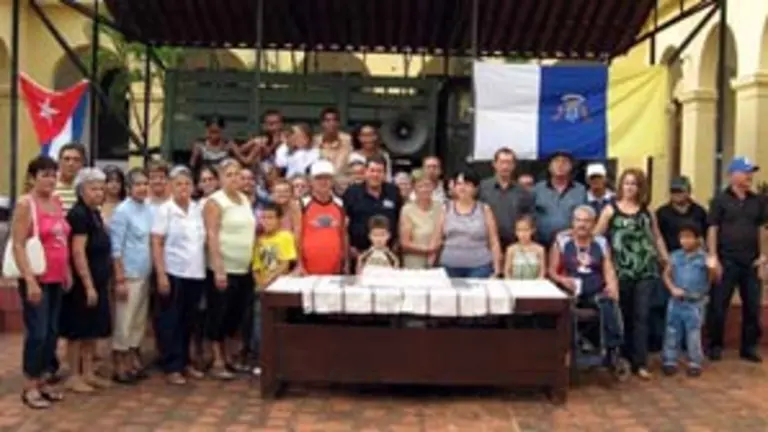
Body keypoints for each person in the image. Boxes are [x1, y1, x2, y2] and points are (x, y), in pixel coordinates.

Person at [595, 168, 669, 379]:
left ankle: (640, 362)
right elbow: (597, 237)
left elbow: (657, 237)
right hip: (620, 270)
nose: (629, 187)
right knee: (623, 315)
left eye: (634, 184)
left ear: (640, 188)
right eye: (626, 183)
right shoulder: (610, 210)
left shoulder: (647, 211)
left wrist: (665, 258)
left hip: (645, 269)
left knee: (642, 316)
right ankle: (622, 358)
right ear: (620, 186)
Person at [11, 156, 71, 409]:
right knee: (37, 332)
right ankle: (30, 385)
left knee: (52, 332)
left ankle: (45, 380)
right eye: (44, 174)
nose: (49, 179)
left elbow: (61, 239)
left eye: (52, 174)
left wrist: (67, 270)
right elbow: (18, 244)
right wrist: (30, 280)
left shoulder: (56, 202)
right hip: (37, 279)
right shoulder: (26, 204)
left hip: (57, 277)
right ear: (33, 177)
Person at [706, 157, 767, 363]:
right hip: (727, 259)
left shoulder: (758, 201)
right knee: (718, 304)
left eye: (751, 173)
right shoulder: (720, 200)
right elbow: (712, 228)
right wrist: (713, 256)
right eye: (746, 172)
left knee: (752, 305)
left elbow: (761, 228)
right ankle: (715, 345)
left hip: (750, 261)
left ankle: (748, 347)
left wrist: (762, 256)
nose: (749, 176)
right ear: (733, 174)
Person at [151, 166, 207, 385]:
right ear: (171, 187)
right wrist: (161, 274)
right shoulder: (165, 210)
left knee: (189, 320)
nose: (183, 188)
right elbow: (156, 242)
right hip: (173, 272)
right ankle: (171, 365)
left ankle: (185, 362)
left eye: (187, 184)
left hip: (195, 272)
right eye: (178, 184)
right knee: (170, 320)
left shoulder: (197, 209)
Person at [549, 205, 623, 367]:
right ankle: (573, 351)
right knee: (567, 309)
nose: (582, 224)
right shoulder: (562, 241)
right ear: (573, 222)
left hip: (595, 290)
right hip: (571, 291)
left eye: (586, 221)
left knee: (608, 303)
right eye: (578, 220)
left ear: (594, 223)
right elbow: (552, 271)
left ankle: (611, 351)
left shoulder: (601, 242)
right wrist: (562, 279)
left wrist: (612, 287)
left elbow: (608, 268)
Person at [203, 158, 256, 379]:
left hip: (244, 268)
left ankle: (229, 356)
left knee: (236, 314)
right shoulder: (215, 202)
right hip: (224, 267)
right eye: (229, 174)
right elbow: (212, 234)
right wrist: (219, 268)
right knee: (219, 312)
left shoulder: (244, 199)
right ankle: (216, 359)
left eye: (237, 174)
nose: (235, 178)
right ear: (221, 178)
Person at [60, 168, 113, 393]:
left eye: (101, 188)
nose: (99, 193)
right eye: (93, 188)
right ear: (81, 191)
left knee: (92, 329)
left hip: (99, 280)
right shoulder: (79, 215)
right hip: (83, 283)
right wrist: (89, 284)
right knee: (78, 330)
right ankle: (73, 375)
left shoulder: (95, 213)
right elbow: (78, 252)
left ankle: (88, 372)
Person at [110, 168, 153, 384]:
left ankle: (132, 361)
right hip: (128, 274)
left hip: (145, 273)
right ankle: (119, 365)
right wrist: (119, 278)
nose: (142, 188)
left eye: (145, 184)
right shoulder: (122, 211)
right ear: (129, 188)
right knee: (123, 321)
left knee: (138, 321)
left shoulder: (148, 209)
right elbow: (116, 248)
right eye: (138, 184)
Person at [661, 223, 715, 377]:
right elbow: (666, 274)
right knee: (672, 330)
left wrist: (712, 268)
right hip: (676, 300)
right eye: (682, 237)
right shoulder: (675, 256)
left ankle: (695, 361)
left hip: (695, 302)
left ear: (698, 239)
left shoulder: (704, 258)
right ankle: (670, 360)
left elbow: (714, 279)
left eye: (689, 237)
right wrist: (672, 288)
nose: (685, 241)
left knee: (693, 332)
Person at [250, 203, 297, 375]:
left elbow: (285, 264)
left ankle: (282, 361)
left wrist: (270, 280)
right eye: (264, 218)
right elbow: (255, 265)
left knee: (280, 324)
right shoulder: (259, 240)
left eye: (271, 217)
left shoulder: (285, 236)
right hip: (261, 289)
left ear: (279, 220)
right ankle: (260, 360)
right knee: (259, 325)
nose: (267, 221)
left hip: (278, 287)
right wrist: (260, 283)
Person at [436, 170, 503, 278]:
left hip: (480, 266)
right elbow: (437, 238)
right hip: (449, 266)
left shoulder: (484, 209)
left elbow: (494, 241)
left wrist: (497, 269)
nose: (462, 188)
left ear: (475, 188)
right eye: (459, 184)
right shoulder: (445, 208)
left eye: (467, 184)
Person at [343, 156, 402, 272]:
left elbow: (399, 219)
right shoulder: (352, 192)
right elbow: (344, 224)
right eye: (372, 170)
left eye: (379, 171)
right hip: (358, 254)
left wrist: (396, 244)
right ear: (365, 172)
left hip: (386, 256)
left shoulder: (393, 192)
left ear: (385, 174)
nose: (375, 175)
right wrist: (349, 248)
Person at [298, 160, 347, 276]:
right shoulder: (301, 205)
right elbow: (296, 236)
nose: (323, 182)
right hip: (307, 269)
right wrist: (299, 264)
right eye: (319, 178)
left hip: (335, 268)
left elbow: (343, 234)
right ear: (311, 181)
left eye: (327, 178)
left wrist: (346, 262)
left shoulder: (340, 204)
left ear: (332, 181)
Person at [479, 148, 533, 251]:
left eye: (509, 163)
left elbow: (528, 216)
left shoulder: (522, 191)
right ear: (494, 164)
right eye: (502, 162)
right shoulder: (482, 188)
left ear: (514, 166)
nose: (505, 166)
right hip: (486, 244)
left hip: (515, 245)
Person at [533, 151, 587, 247]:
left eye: (565, 162)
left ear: (571, 167)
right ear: (549, 167)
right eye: (556, 161)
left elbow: (585, 217)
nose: (560, 165)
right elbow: (529, 216)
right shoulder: (537, 189)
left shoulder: (580, 190)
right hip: (541, 244)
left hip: (571, 243)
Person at [399, 169, 442, 269]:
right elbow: (405, 243)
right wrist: (428, 250)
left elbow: (443, 235)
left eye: (428, 185)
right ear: (414, 188)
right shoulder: (407, 210)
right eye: (420, 186)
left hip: (437, 260)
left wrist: (435, 251)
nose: (425, 189)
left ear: (433, 187)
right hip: (414, 262)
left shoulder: (440, 208)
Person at [656, 176, 708, 254]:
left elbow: (706, 236)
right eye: (673, 191)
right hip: (669, 257)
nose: (677, 194)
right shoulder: (661, 213)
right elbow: (657, 237)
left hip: (695, 258)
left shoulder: (699, 212)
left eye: (680, 191)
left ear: (689, 191)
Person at [314, 107, 353, 172]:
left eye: (335, 120)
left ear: (339, 123)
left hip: (343, 180)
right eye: (327, 120)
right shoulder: (314, 142)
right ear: (322, 123)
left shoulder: (348, 141)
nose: (332, 123)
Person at [55, 142, 86, 213]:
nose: (71, 163)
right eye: (67, 159)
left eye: (76, 159)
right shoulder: (49, 185)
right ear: (59, 161)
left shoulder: (87, 187)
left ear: (82, 163)